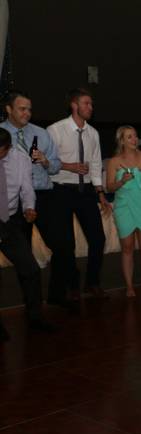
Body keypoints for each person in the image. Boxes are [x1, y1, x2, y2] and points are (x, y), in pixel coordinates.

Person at [1, 92, 64, 308]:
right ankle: (32, 307)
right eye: (22, 109)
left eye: (29, 109)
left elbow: (56, 166)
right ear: (8, 109)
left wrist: (46, 161)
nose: (27, 113)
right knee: (25, 258)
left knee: (62, 245)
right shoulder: (1, 134)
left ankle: (57, 296)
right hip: (13, 203)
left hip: (43, 196)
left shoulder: (41, 133)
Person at [47, 88, 109, 299]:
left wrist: (100, 192)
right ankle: (72, 284)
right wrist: (69, 166)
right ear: (74, 105)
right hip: (61, 191)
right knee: (67, 244)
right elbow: (44, 161)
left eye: (91, 104)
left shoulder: (93, 133)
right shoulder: (55, 130)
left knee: (98, 239)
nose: (90, 108)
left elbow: (96, 164)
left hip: (87, 192)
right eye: (86, 104)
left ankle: (92, 282)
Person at [0, 128, 56, 339]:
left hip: (10, 220)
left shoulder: (20, 158)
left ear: (7, 148)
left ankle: (35, 317)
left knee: (31, 269)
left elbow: (26, 188)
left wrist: (29, 208)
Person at [105, 126, 141, 297]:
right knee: (127, 248)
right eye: (129, 137)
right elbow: (109, 187)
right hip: (124, 207)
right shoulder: (114, 161)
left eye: (135, 136)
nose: (134, 139)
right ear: (121, 140)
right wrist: (121, 181)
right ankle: (129, 285)